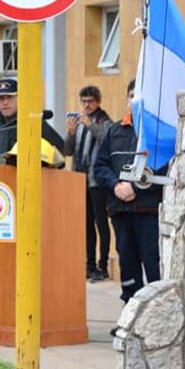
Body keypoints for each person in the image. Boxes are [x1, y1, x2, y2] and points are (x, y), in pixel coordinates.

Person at [93, 79, 162, 313]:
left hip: (148, 211)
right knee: (127, 264)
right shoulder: (114, 131)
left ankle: (155, 317)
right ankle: (130, 313)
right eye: (131, 95)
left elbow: (164, 168)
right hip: (120, 211)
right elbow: (100, 166)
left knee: (154, 265)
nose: (134, 100)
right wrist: (115, 186)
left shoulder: (158, 133)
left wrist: (137, 187)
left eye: (139, 95)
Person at [63, 85, 112, 281]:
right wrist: (71, 133)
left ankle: (103, 265)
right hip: (80, 180)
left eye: (90, 101)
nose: (87, 105)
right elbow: (67, 151)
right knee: (86, 225)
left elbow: (105, 138)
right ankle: (89, 264)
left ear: (98, 102)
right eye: (83, 101)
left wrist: (90, 124)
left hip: (97, 181)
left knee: (101, 224)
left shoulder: (104, 121)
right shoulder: (80, 122)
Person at [0, 78, 64, 164]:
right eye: (0, 98)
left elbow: (59, 150)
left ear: (19, 98)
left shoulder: (33, 122)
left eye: (9, 97)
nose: (5, 102)